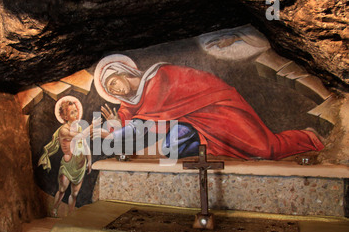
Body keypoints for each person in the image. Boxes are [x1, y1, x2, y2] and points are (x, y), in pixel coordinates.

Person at [94, 54, 324, 160]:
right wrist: (115, 125)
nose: (115, 90)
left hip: (218, 110)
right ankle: (204, 152)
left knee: (265, 150)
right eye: (110, 90)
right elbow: (130, 116)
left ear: (124, 72)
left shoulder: (160, 76)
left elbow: (142, 121)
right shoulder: (132, 99)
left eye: (113, 82)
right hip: (193, 125)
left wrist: (109, 132)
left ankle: (307, 137)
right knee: (171, 148)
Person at [38, 97, 99, 217]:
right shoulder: (63, 130)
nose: (76, 115)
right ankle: (54, 209)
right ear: (65, 117)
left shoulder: (80, 127)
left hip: (80, 164)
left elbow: (84, 144)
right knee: (62, 190)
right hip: (68, 164)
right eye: (72, 112)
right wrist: (92, 126)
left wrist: (89, 161)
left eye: (76, 111)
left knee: (75, 194)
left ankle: (71, 215)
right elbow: (78, 136)